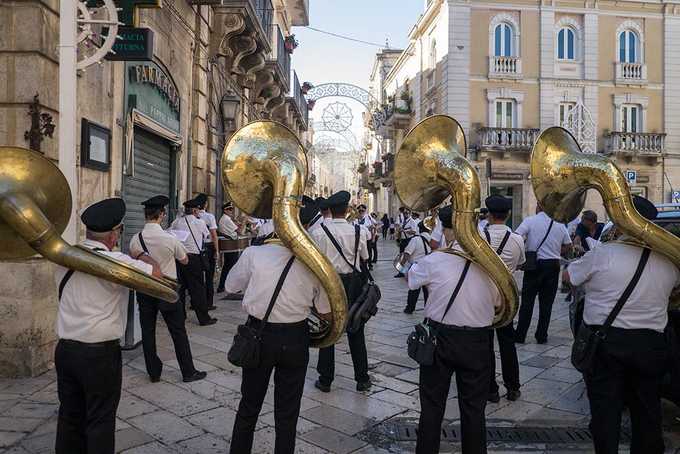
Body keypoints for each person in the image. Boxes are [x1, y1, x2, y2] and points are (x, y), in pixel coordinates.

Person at [563, 196, 680, 454]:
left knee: (606, 415)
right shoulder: (670, 261)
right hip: (650, 346)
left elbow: (569, 276)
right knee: (647, 414)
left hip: (606, 346)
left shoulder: (602, 253)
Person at [55, 198, 161, 454]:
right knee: (100, 419)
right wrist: (143, 254)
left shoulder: (63, 256)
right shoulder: (119, 262)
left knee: (69, 417)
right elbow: (157, 274)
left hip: (66, 351)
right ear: (115, 233)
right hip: (99, 355)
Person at [226, 198, 331, 454]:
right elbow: (327, 311)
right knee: (287, 413)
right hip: (296, 338)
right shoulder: (315, 262)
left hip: (258, 336)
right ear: (304, 226)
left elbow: (230, 286)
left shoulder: (254, 253)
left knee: (249, 407)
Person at [408, 211, 500, 454]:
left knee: (431, 406)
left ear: (448, 230)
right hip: (477, 340)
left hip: (440, 338)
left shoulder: (436, 260)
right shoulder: (492, 264)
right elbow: (500, 303)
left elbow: (411, 279)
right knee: (474, 409)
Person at [129, 196, 207, 384]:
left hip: (146, 288)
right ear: (162, 215)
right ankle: (188, 372)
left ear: (145, 215)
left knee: (148, 331)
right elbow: (185, 260)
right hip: (167, 289)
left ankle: (153, 372)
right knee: (178, 331)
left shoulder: (135, 238)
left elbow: (134, 257)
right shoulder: (169, 238)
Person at [311, 190, 372, 392]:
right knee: (356, 330)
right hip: (354, 285)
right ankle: (362, 378)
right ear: (347, 210)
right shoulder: (360, 231)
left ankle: (326, 379)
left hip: (330, 285)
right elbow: (364, 258)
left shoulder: (318, 232)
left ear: (329, 210)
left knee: (328, 331)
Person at [481, 196, 525, 403]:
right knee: (508, 344)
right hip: (507, 298)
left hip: (485, 296)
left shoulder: (480, 236)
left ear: (489, 214)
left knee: (486, 344)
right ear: (507, 215)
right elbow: (521, 262)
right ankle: (513, 387)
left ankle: (491, 389)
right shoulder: (517, 239)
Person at [514, 203, 572, 344]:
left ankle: (520, 335)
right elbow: (568, 246)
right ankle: (541, 335)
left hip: (534, 264)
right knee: (547, 304)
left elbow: (516, 237)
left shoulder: (530, 220)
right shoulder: (559, 224)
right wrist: (556, 250)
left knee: (527, 302)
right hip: (552, 265)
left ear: (539, 206)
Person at [170, 198, 216, 326]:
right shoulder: (199, 223)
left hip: (179, 258)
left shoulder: (177, 221)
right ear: (195, 210)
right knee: (197, 289)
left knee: (180, 288)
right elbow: (207, 236)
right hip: (194, 259)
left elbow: (169, 233)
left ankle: (180, 316)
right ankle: (203, 318)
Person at [195, 193, 220, 310]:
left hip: (196, 247)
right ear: (205, 204)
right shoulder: (209, 217)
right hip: (208, 247)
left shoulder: (191, 216)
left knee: (197, 277)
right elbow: (214, 235)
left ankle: (195, 303)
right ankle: (208, 303)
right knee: (209, 277)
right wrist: (217, 250)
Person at [403, 221, 432, 314]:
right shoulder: (432, 239)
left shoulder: (415, 239)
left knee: (414, 289)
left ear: (419, 229)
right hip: (429, 266)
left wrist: (402, 266)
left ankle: (410, 308)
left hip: (416, 266)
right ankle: (428, 308)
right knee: (428, 290)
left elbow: (407, 253)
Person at [217, 202, 240, 293]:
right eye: (229, 209)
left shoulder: (226, 219)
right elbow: (239, 231)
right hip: (230, 245)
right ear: (225, 210)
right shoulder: (226, 219)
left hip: (230, 245)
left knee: (227, 266)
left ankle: (222, 286)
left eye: (232, 209)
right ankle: (230, 287)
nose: (231, 211)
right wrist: (244, 222)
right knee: (232, 267)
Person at [396, 209, 418, 277]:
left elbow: (414, 232)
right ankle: (400, 272)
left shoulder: (412, 221)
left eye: (407, 213)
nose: (405, 214)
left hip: (409, 240)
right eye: (404, 213)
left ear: (410, 213)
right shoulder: (403, 221)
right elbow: (400, 231)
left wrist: (404, 231)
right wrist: (398, 239)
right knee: (401, 256)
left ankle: (410, 272)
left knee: (408, 257)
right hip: (403, 240)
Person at [355, 204, 376, 269]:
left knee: (369, 251)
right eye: (359, 211)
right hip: (358, 238)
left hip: (367, 238)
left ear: (365, 210)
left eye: (362, 211)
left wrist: (373, 237)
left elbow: (375, 225)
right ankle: (361, 265)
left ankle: (370, 264)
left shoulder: (368, 217)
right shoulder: (355, 218)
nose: (361, 212)